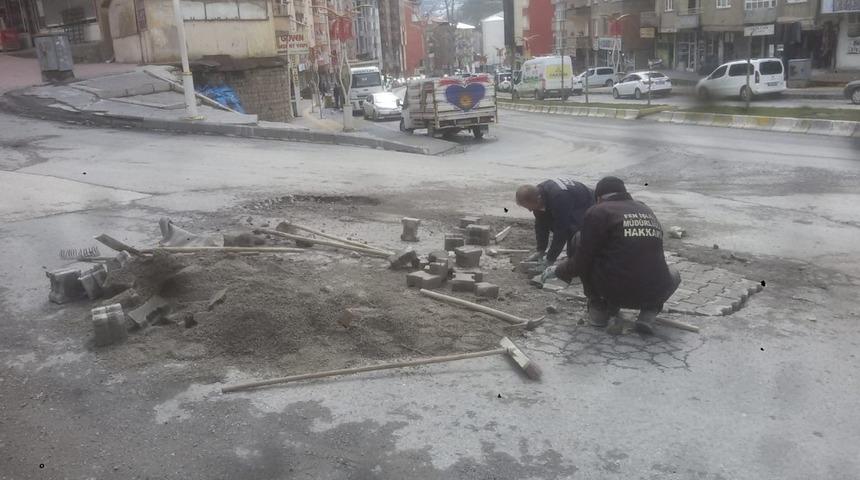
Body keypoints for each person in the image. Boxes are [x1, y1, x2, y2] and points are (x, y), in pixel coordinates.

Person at [546, 176, 681, 335]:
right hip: (654, 291)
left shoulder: (598, 211)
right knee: (674, 273)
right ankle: (648, 313)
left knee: (579, 239)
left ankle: (599, 309)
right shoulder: (645, 209)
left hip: (614, 292)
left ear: (599, 197)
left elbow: (581, 261)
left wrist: (558, 270)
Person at [515, 178, 594, 267]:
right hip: (566, 201)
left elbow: (561, 230)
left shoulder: (560, 197)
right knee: (545, 219)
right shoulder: (537, 193)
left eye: (530, 207)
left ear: (539, 199)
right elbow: (541, 224)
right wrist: (541, 250)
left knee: (572, 231)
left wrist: (550, 259)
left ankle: (576, 262)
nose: (529, 210)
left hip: (585, 203)